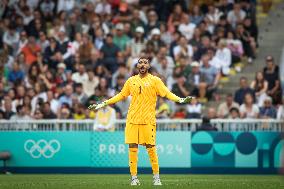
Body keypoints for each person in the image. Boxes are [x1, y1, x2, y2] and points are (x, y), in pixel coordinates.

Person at [88, 57, 193, 186]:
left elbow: (167, 93)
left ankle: (156, 177)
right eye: (140, 62)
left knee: (151, 149)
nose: (143, 64)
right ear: (137, 66)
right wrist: (103, 103)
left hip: (148, 120)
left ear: (148, 66)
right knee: (132, 148)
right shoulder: (131, 81)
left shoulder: (155, 80)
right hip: (132, 120)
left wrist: (180, 100)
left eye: (145, 62)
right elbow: (120, 95)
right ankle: (134, 178)